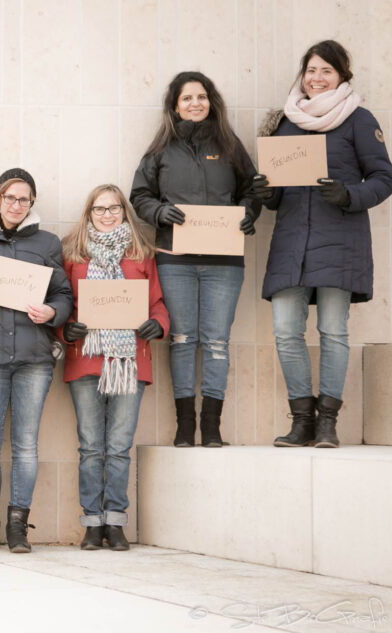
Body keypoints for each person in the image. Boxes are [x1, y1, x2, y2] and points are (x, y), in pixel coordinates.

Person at [255, 40, 392, 448]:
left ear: (342, 76)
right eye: (311, 70)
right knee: (285, 331)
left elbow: (383, 179)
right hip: (291, 242)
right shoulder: (284, 122)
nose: (317, 78)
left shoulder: (358, 120)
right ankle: (302, 420)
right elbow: (277, 193)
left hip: (340, 241)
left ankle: (327, 422)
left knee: (333, 331)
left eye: (326, 71)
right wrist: (267, 194)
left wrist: (349, 195)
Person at [130, 71, 261, 448]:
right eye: (187, 98)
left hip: (224, 262)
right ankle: (185, 425)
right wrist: (159, 212)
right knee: (183, 339)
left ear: (211, 102)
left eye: (201, 97)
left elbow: (252, 190)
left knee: (217, 340)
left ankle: (212, 425)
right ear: (175, 106)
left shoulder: (230, 146)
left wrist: (248, 213)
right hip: (175, 260)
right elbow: (139, 195)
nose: (195, 104)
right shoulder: (160, 150)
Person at [0, 168, 73, 554]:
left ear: (32, 203)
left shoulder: (47, 242)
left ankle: (18, 527)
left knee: (26, 445)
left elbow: (63, 294)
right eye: (9, 197)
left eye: (24, 199)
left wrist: (52, 312)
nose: (16, 205)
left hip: (33, 358)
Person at [59, 185, 168, 551]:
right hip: (86, 358)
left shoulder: (141, 254)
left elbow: (157, 303)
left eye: (114, 208)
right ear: (88, 213)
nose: (107, 215)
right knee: (91, 447)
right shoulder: (73, 255)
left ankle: (116, 521)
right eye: (99, 208)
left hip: (129, 360)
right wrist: (65, 329)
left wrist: (158, 324)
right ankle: (92, 522)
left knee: (119, 447)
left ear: (124, 211)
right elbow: (62, 303)